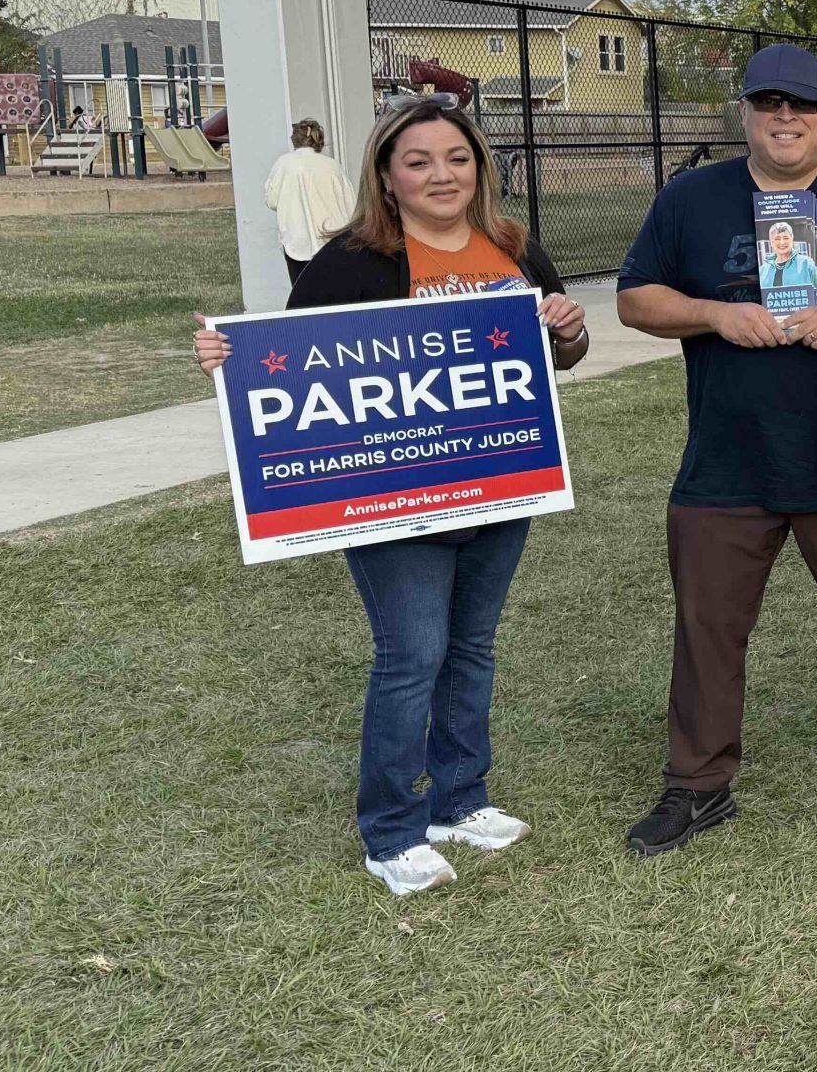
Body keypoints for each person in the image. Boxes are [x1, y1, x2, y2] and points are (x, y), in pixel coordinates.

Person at [188, 94, 589, 896]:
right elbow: (298, 359)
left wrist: (571, 329)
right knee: (412, 657)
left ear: (479, 166)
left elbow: (560, 357)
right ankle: (391, 830)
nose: (441, 174)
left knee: (472, 649)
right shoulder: (353, 260)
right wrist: (226, 359)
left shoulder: (512, 246)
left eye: (457, 158)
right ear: (387, 175)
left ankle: (460, 799)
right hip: (393, 497)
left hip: (501, 484)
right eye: (419, 161)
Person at [614, 43, 817, 855]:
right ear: (746, 114)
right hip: (726, 464)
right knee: (707, 629)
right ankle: (697, 785)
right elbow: (633, 299)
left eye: (802, 104)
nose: (785, 118)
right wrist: (715, 315)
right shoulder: (692, 198)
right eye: (769, 104)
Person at [265, 118, 354, 285]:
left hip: (297, 240)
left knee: (303, 294)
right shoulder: (332, 165)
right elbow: (350, 203)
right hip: (333, 240)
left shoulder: (284, 163)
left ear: (295, 140)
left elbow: (271, 200)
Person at [761, 222, 817, 288]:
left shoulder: (807, 263)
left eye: (786, 238)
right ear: (771, 242)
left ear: (792, 239)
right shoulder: (763, 270)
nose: (782, 242)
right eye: (777, 239)